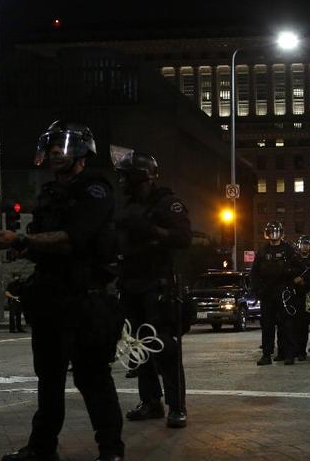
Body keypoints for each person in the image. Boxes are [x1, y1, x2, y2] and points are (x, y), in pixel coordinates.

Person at [0, 121, 125, 461]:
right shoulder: (50, 194)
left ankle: (111, 450)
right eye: (50, 148)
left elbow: (75, 237)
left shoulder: (95, 189)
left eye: (61, 148)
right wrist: (21, 247)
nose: (54, 153)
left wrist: (23, 239)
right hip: (52, 297)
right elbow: (43, 244)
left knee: (92, 377)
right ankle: (42, 448)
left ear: (81, 153)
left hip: (86, 299)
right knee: (48, 378)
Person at [114, 151, 192, 429]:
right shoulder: (128, 207)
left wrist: (153, 230)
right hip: (131, 284)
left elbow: (184, 237)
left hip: (157, 285)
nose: (122, 182)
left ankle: (177, 405)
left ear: (139, 176)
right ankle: (150, 401)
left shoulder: (167, 204)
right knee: (138, 348)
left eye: (125, 176)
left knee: (165, 346)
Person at [251, 222, 302, 365]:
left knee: (287, 325)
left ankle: (288, 354)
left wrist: (289, 273)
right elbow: (254, 273)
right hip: (267, 293)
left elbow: (299, 268)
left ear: (282, 233)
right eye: (271, 232)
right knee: (267, 326)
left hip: (284, 293)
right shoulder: (262, 251)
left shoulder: (288, 250)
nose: (274, 235)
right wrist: (257, 290)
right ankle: (266, 355)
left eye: (277, 232)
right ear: (267, 234)